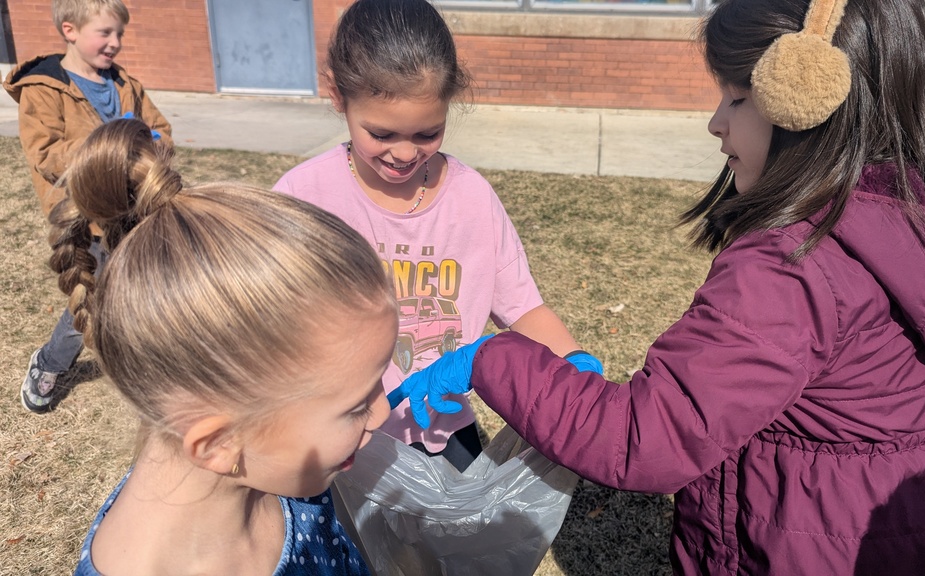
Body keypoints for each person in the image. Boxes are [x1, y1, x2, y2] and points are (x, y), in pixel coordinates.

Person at [393, 0, 925, 573]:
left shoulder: (793, 267)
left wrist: (492, 359)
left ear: (805, 99)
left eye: (737, 98)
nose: (716, 122)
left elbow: (645, 437)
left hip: (807, 540)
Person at [50, 118, 388, 575]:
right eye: (355, 405)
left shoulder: (275, 470)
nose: (383, 412)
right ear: (219, 443)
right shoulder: (278, 465)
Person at [272, 0, 597, 472]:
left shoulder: (472, 199)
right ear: (338, 96)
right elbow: (267, 326)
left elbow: (523, 308)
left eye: (428, 133)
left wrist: (576, 366)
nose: (405, 153)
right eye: (381, 133)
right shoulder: (303, 197)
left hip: (445, 432)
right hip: (340, 440)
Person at [3, 0, 172, 413]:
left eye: (120, 34)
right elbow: (45, 153)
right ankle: (49, 363)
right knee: (92, 298)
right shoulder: (42, 89)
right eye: (105, 33)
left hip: (134, 209)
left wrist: (151, 145)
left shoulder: (125, 83)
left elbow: (161, 130)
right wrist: (111, 149)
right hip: (87, 219)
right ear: (69, 29)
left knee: (140, 289)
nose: (115, 43)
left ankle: (146, 362)